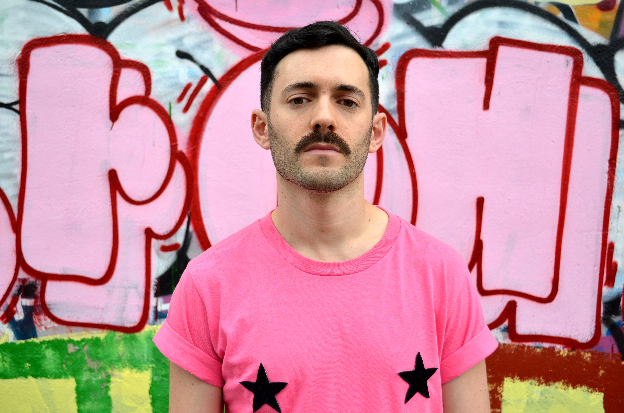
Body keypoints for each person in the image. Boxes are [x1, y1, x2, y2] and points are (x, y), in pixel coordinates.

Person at [154, 21, 498, 413]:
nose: (323, 118)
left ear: (376, 132)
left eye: (346, 101)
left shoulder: (441, 275)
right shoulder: (207, 285)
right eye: (300, 99)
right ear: (262, 127)